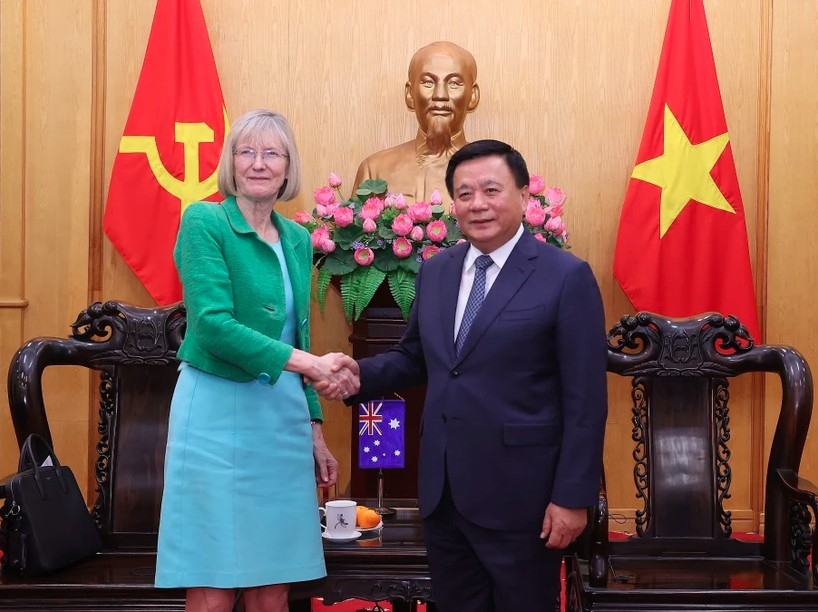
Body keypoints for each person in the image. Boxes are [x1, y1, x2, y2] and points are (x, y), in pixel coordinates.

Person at [331, 139, 608, 611]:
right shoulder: (437, 271)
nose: (477, 204)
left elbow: (586, 399)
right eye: (464, 193)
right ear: (451, 203)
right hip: (445, 493)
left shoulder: (565, 277)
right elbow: (416, 357)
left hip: (525, 498)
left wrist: (573, 496)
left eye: (491, 190)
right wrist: (355, 375)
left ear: (523, 194)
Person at [154, 109, 358, 612]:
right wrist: (311, 365)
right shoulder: (204, 221)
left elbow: (298, 331)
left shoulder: (296, 237)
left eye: (272, 153)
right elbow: (212, 326)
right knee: (213, 574)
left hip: (281, 418)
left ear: (289, 168)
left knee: (276, 577)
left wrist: (314, 427)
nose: (259, 163)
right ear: (231, 162)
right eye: (247, 151)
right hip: (214, 415)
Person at [352, 41, 481, 205]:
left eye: (454, 83)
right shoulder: (375, 170)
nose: (440, 95)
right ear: (410, 94)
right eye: (428, 82)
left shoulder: (496, 173)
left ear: (473, 96)